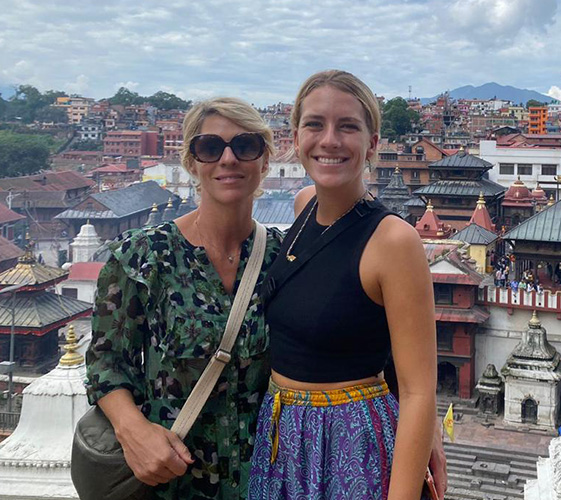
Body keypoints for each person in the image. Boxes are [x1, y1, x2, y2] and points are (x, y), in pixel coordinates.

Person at [249, 70, 437, 499]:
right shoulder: (303, 206)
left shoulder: (393, 241)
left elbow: (418, 390)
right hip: (280, 437)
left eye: (348, 126)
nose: (329, 140)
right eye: (315, 124)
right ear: (296, 138)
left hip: (352, 444)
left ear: (372, 144)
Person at [86, 97, 283, 499]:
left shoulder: (285, 257)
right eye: (210, 147)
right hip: (173, 481)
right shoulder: (143, 257)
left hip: (269, 480)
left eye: (245, 146)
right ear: (191, 162)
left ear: (264, 160)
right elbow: (107, 361)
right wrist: (133, 431)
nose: (228, 159)